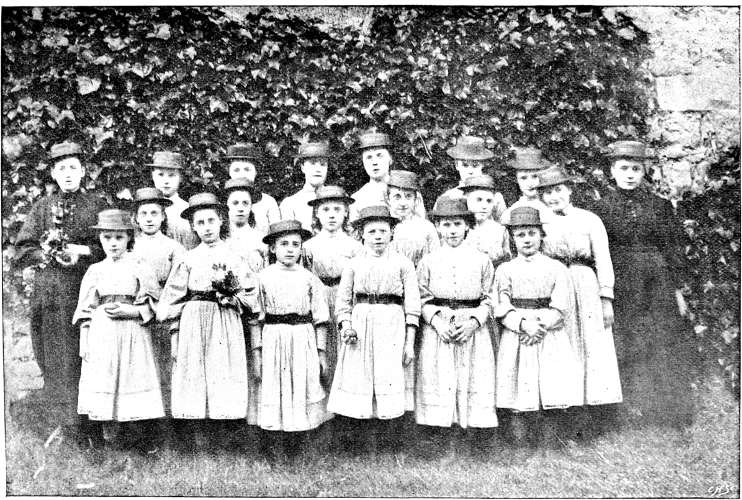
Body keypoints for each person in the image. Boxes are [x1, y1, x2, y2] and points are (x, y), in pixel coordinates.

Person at [592, 140, 698, 429]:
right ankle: (627, 413)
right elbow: (597, 254)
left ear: (644, 172)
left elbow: (673, 249)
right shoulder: (600, 209)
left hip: (657, 282)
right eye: (624, 168)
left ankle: (666, 412)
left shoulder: (659, 206)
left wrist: (678, 291)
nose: (630, 174)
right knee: (626, 342)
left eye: (636, 169)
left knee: (662, 341)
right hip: (622, 282)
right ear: (612, 171)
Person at [13, 141, 109, 444]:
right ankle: (64, 426)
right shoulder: (42, 207)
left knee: (85, 357)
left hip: (84, 293)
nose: (68, 173)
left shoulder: (96, 205)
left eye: (73, 167)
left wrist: (81, 251)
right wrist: (47, 254)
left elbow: (112, 245)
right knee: (55, 358)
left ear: (83, 171)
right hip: (51, 297)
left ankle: (90, 426)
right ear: (54, 173)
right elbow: (23, 249)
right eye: (62, 168)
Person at [156, 193, 261, 449]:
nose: (206, 228)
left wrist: (233, 299)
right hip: (194, 322)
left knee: (223, 370)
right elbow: (172, 299)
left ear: (221, 220)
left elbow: (251, 294)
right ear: (193, 226)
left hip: (225, 319)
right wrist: (179, 322)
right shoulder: (188, 258)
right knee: (195, 372)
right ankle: (197, 436)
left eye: (211, 221)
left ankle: (226, 435)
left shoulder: (234, 256)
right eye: (200, 223)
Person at [536, 167, 623, 437]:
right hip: (557, 285)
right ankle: (568, 414)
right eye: (547, 193)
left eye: (558, 190)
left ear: (569, 190)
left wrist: (606, 298)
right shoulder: (539, 222)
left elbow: (603, 259)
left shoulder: (589, 219)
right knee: (564, 344)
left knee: (594, 344)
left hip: (586, 284)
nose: (553, 197)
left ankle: (598, 414)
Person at [328, 205, 421, 454]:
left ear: (392, 233)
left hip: (392, 324)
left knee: (388, 377)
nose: (378, 236)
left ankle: (389, 444)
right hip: (361, 325)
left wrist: (409, 342)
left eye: (383, 231)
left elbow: (413, 305)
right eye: (371, 231)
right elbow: (343, 303)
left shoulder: (403, 264)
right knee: (359, 378)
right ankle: (356, 444)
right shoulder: (354, 264)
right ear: (362, 234)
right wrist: (346, 326)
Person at [73, 209, 164, 451]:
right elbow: (86, 310)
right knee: (102, 377)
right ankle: (99, 438)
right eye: (107, 238)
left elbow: (154, 302)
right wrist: (84, 341)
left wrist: (132, 311)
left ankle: (141, 439)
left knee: (133, 377)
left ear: (129, 238)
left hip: (132, 331)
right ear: (100, 239)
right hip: (102, 333)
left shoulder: (139, 266)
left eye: (119, 237)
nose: (113, 243)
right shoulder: (95, 270)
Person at [415, 197, 498, 457]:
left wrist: (474, 322)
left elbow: (490, 298)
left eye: (457, 224)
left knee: (472, 376)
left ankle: (472, 439)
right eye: (446, 224)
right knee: (440, 377)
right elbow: (421, 298)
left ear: (467, 226)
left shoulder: (481, 260)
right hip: (440, 328)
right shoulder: (428, 261)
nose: (452, 230)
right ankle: (440, 438)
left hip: (471, 327)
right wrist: (436, 322)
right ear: (438, 227)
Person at [493, 207, 581, 447]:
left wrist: (539, 326)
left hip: (548, 334)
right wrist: (523, 325)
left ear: (542, 235)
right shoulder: (505, 270)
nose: (527, 239)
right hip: (518, 334)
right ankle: (522, 441)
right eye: (520, 235)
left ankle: (552, 439)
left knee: (550, 380)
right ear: (512, 238)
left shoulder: (556, 268)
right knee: (521, 382)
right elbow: (501, 305)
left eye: (532, 233)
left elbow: (562, 306)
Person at [253, 220, 333, 460]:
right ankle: (271, 448)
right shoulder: (263, 277)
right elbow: (255, 318)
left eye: (295, 244)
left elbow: (321, 317)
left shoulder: (309, 278)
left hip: (302, 337)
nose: (290, 249)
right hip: (273, 336)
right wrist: (257, 353)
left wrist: (321, 352)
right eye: (283, 244)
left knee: (300, 385)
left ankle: (296, 446)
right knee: (274, 387)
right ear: (272, 248)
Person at [130, 187, 185, 421]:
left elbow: (179, 282)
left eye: (154, 213)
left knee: (166, 366)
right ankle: (144, 422)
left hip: (165, 312)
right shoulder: (131, 247)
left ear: (163, 216)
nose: (149, 219)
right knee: (140, 367)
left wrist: (163, 305)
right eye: (144, 214)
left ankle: (170, 422)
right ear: (136, 218)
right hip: (137, 312)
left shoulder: (174, 248)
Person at [303, 186, 363, 388]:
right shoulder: (309, 246)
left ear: (346, 212)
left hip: (344, 298)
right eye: (326, 209)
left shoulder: (354, 246)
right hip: (319, 298)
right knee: (322, 347)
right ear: (317, 213)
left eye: (337, 209)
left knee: (346, 347)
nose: (331, 215)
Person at [349, 130, 425, 221]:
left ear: (390, 159)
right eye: (369, 157)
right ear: (363, 162)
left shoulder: (409, 190)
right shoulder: (358, 198)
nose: (374, 162)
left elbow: (421, 224)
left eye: (379, 156)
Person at [442, 135, 507, 222]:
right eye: (465, 165)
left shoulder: (495, 197)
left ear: (482, 165)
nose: (470, 171)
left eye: (475, 165)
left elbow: (502, 224)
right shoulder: (449, 196)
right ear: (457, 165)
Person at [386, 169, 440, 267]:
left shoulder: (426, 228)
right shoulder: (383, 226)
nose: (403, 203)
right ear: (388, 199)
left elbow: (436, 260)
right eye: (397, 197)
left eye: (408, 196)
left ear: (415, 200)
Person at [224, 143, 281, 234]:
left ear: (256, 172)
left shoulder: (268, 202)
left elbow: (277, 235)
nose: (242, 175)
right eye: (236, 170)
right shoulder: (223, 202)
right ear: (229, 173)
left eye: (247, 169)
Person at [147, 151, 197, 250]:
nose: (166, 181)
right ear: (153, 176)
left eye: (172, 175)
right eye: (160, 174)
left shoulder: (187, 210)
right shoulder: (145, 209)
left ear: (180, 178)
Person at [459, 174, 511, 268]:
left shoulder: (500, 230)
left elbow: (507, 261)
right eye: (479, 200)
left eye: (489, 201)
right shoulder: (459, 228)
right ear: (466, 199)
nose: (484, 206)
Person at [279, 141, 330, 231]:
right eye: (312, 163)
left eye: (323, 164)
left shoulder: (337, 199)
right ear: (303, 167)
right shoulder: (290, 204)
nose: (318, 169)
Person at [223, 178, 267, 274]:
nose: (240, 208)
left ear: (251, 206)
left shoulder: (260, 238)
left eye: (245, 203)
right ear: (226, 205)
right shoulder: (219, 237)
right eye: (235, 203)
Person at [500, 146, 553, 225]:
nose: (530, 183)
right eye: (523, 178)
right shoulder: (510, 213)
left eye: (535, 176)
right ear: (516, 180)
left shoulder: (553, 206)